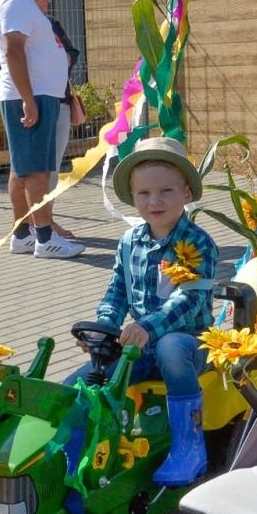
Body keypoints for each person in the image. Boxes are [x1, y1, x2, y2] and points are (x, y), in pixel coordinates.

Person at [94, 136, 219, 486]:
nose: (155, 201)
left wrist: (148, 325)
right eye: (144, 194)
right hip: (142, 342)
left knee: (170, 347)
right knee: (100, 372)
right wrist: (104, 326)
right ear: (133, 197)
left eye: (166, 191)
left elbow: (190, 298)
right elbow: (117, 291)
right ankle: (93, 444)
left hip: (191, 344)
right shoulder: (129, 241)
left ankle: (189, 446)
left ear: (187, 194)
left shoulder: (197, 243)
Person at [0, 0, 84, 257]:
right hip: (31, 96)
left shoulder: (21, 3)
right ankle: (44, 239)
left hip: (39, 95)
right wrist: (28, 99)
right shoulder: (17, 2)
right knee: (35, 171)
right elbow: (14, 50)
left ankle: (22, 236)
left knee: (24, 169)